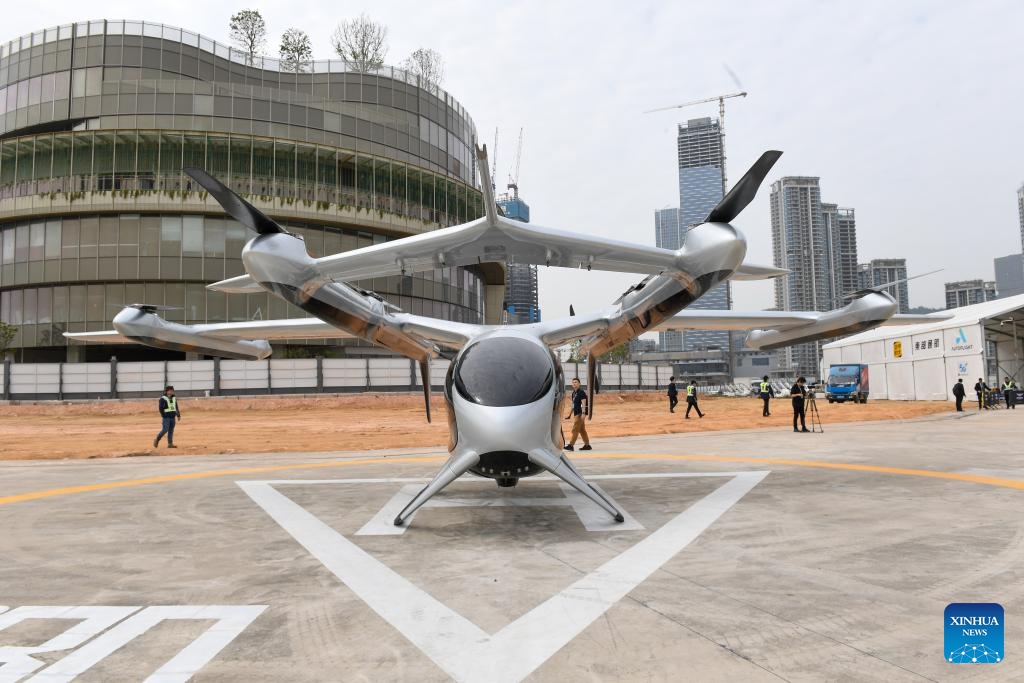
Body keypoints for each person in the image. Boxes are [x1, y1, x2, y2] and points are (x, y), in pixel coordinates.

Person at [564, 377, 592, 451]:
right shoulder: (574, 393)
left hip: (580, 413)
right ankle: (587, 445)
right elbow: (573, 405)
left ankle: (571, 445)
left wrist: (583, 413)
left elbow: (584, 403)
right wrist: (569, 415)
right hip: (576, 413)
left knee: (575, 429)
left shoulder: (581, 392)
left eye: (576, 382)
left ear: (579, 384)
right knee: (582, 430)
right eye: (573, 382)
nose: (574, 383)